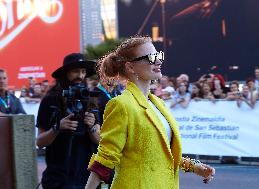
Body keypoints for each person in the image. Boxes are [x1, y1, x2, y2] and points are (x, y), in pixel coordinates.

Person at [85, 36, 215, 189]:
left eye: (158, 55)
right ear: (130, 67)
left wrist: (194, 166)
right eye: (151, 57)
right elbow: (106, 158)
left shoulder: (158, 103)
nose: (158, 61)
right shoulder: (120, 105)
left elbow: (163, 153)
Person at [36, 53, 100, 189]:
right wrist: (57, 128)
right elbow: (40, 142)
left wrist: (91, 126)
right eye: (76, 71)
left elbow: (99, 140)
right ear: (65, 74)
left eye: (83, 72)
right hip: (58, 178)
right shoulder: (50, 100)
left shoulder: (91, 100)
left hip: (86, 178)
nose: (80, 76)